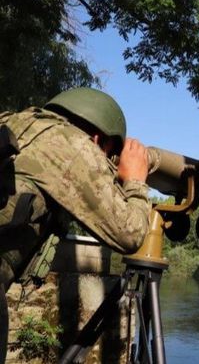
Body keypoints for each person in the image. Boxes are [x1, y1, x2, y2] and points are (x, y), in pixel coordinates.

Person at [0, 87, 152, 361]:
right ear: (97, 138)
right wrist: (136, 182)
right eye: (108, 154)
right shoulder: (77, 146)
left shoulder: (13, 120)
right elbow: (130, 234)